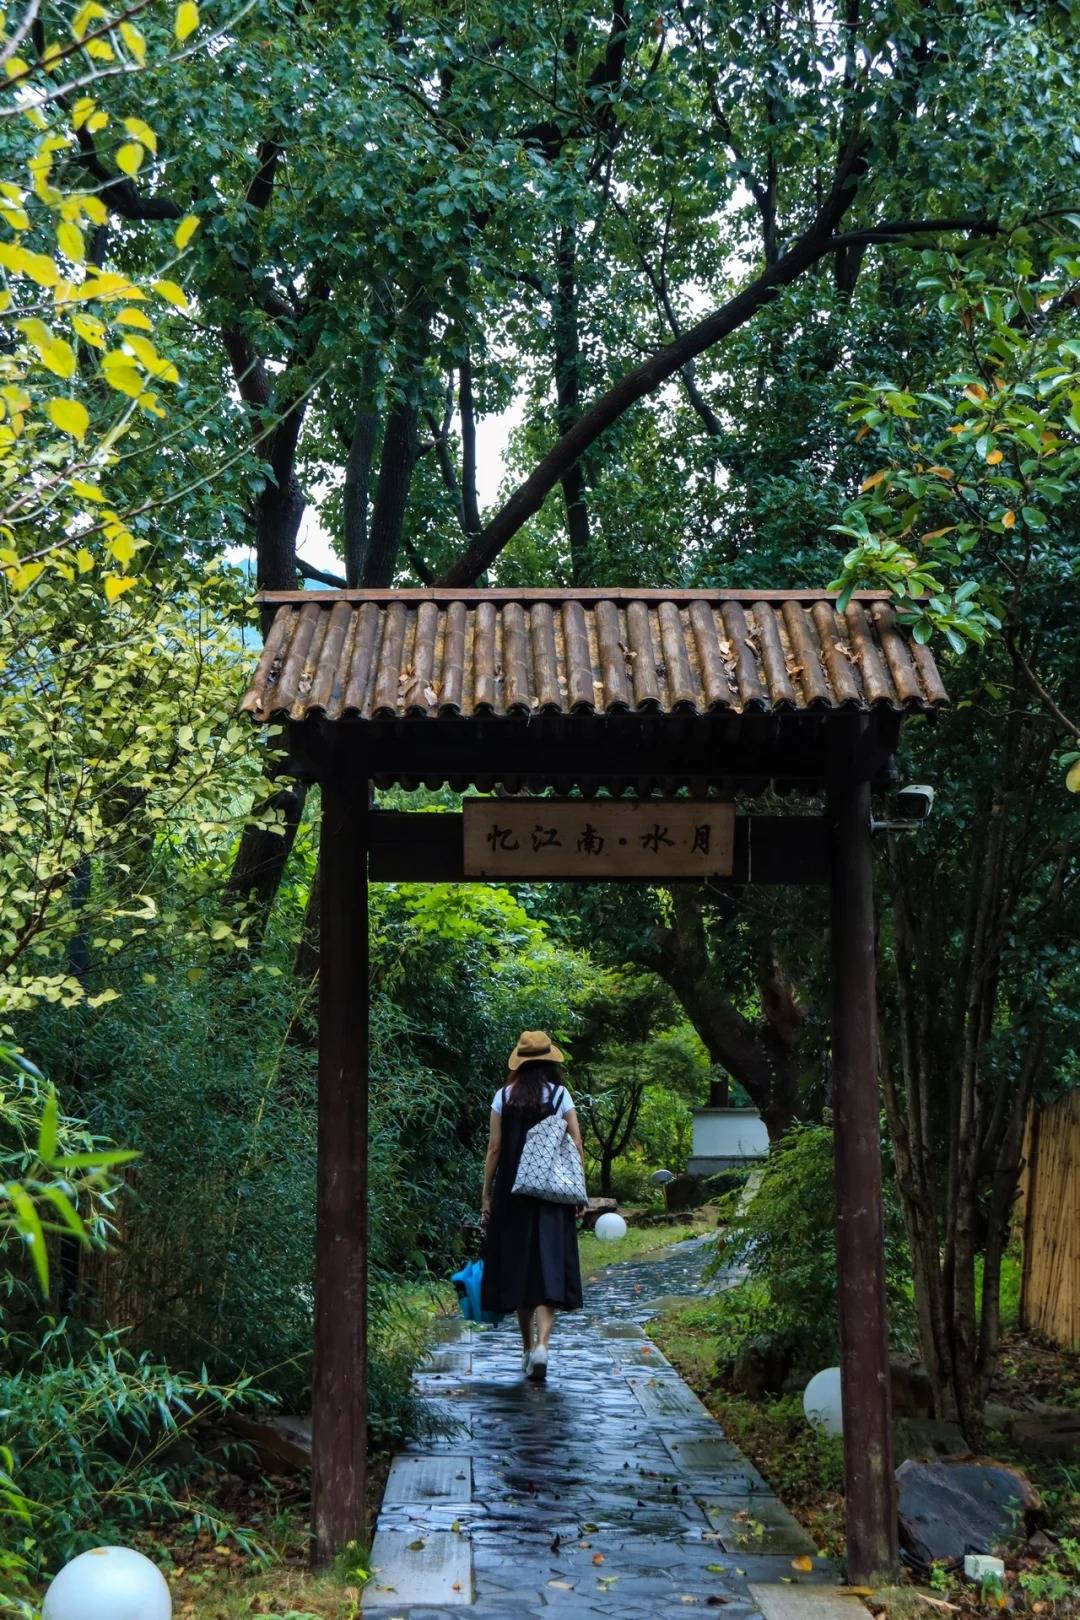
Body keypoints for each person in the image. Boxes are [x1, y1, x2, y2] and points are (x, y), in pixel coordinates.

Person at [480, 1029, 586, 1381]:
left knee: (518, 1270)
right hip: (552, 1195)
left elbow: (494, 1149)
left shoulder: (503, 1097)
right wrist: (578, 1190)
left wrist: (487, 1194)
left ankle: (526, 1349)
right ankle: (543, 1345)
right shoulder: (560, 1096)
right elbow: (576, 1144)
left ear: (519, 1063)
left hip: (513, 1195)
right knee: (549, 1268)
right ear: (549, 1063)